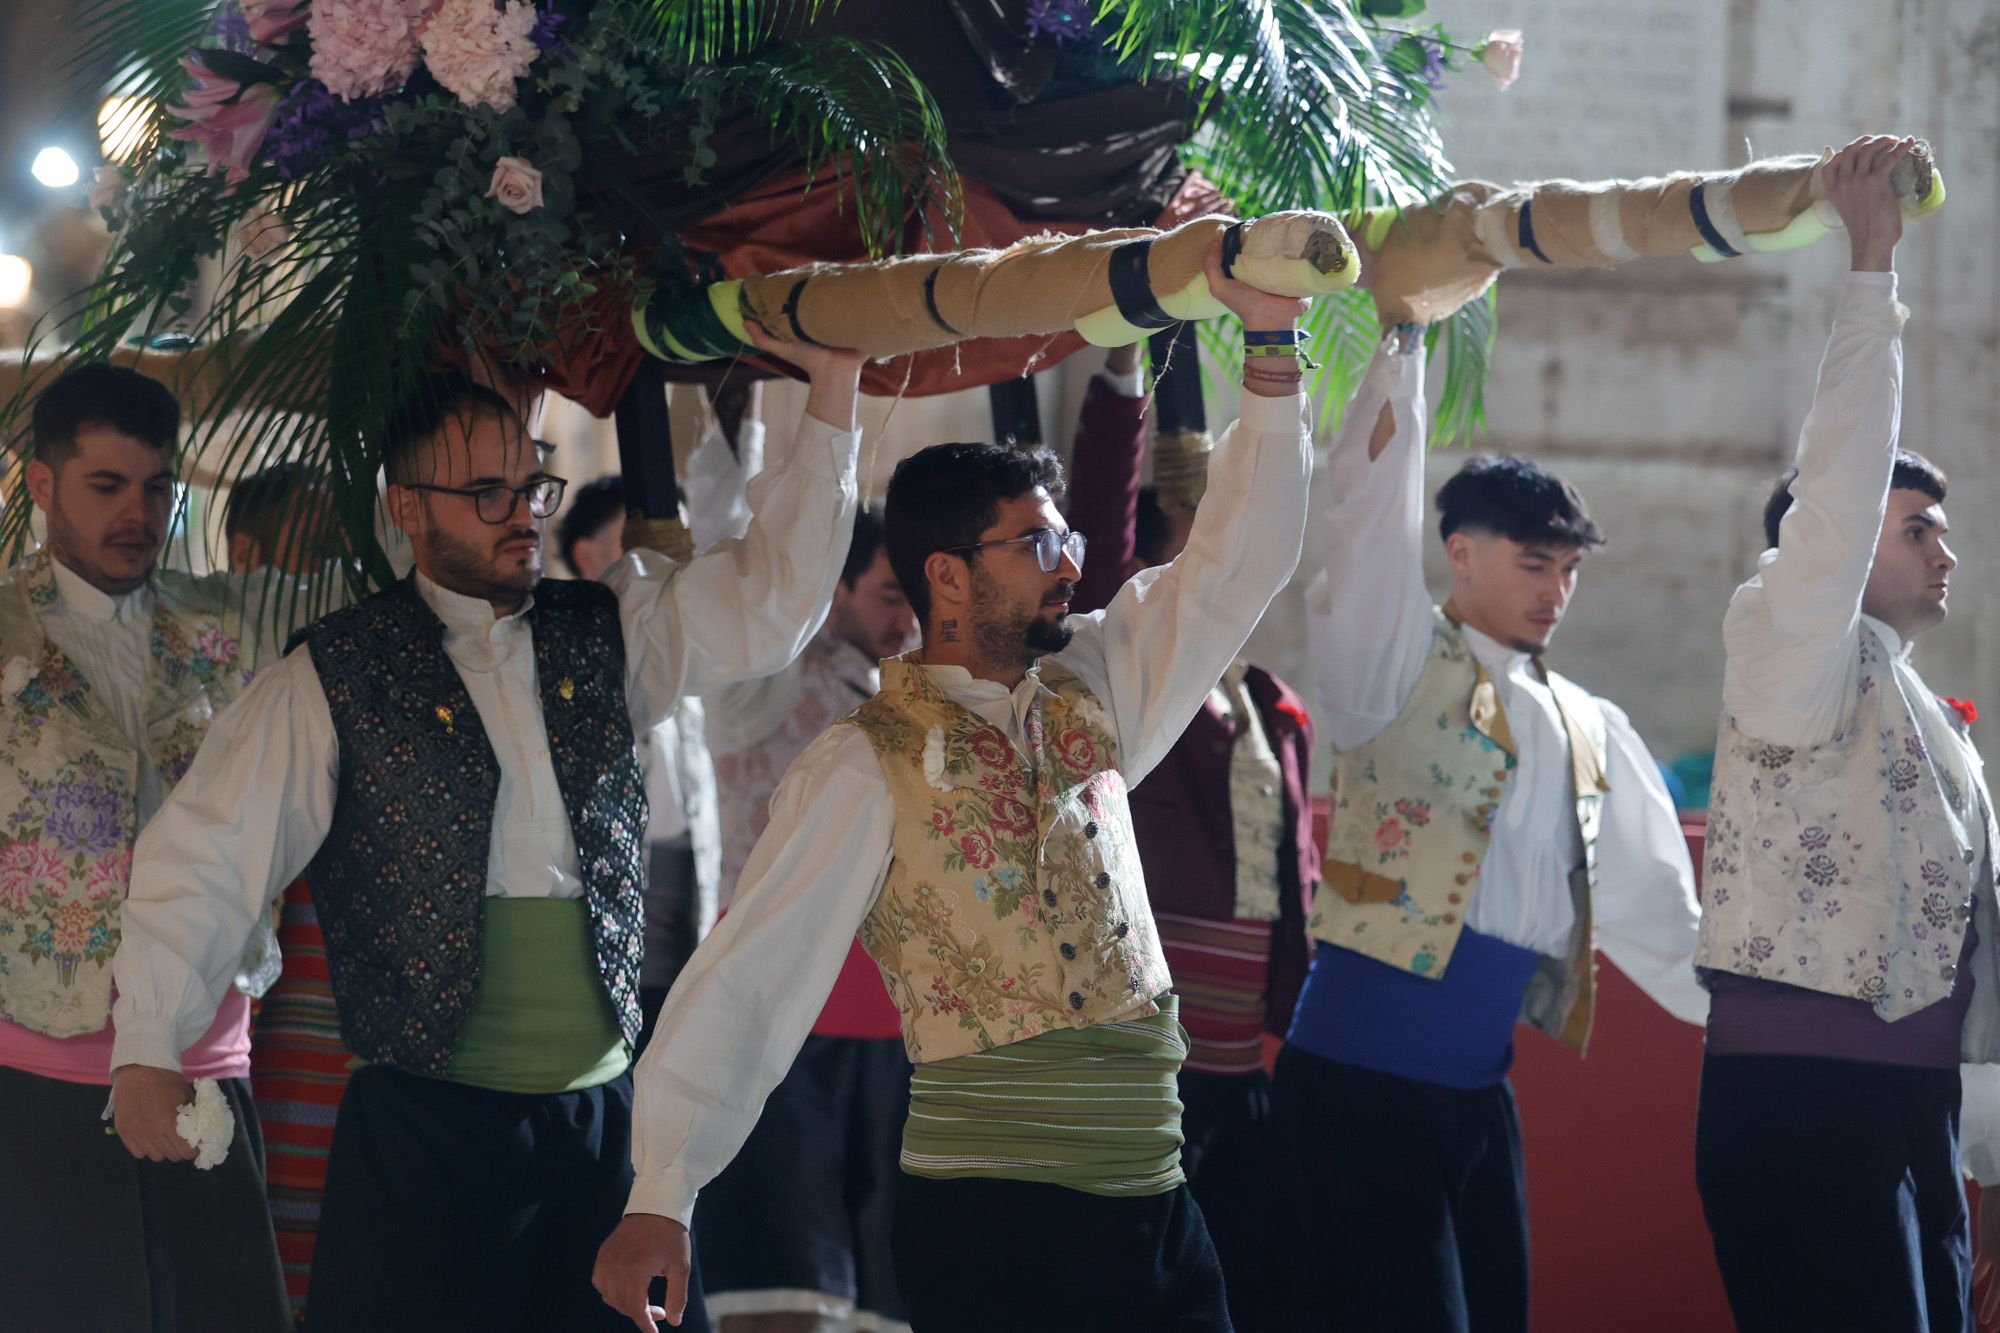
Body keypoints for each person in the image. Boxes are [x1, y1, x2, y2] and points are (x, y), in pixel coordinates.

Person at [593, 243, 1313, 1333]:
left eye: (1064, 536)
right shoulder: (859, 760)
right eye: (1035, 543)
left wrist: (1271, 351)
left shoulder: (1100, 686)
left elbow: (1235, 566)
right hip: (995, 1222)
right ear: (944, 573)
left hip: (1157, 1205)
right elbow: (748, 977)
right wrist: (660, 1193)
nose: (1069, 564)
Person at [106, 335, 866, 1333]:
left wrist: (835, 392)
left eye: (531, 486)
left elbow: (774, 605)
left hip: (603, 1131)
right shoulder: (335, 673)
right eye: (487, 493)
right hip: (422, 1135)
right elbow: (208, 847)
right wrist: (147, 1040)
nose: (522, 515)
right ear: (406, 506)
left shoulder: (611, 627)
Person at [1282, 320, 1708, 1332]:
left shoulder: (1593, 726)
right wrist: (1402, 339)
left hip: (1476, 1101)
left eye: (1568, 569)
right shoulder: (1384, 660)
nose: (1555, 591)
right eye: (1533, 564)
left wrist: (1790, 1018)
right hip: (1354, 1086)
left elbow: (1662, 919)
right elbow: (1364, 517)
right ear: (1460, 554)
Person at [1691, 134, 1996, 1333]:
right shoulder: (1784, 633)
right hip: (1800, 1105)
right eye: (1913, 525)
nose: (1944, 550)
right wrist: (1869, 262)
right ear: (1835, 531)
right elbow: (1838, 482)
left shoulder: (1927, 719)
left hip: (1906, 1113)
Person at [0, 363, 292, 1331]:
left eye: (157, 488)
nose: (138, 512)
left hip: (206, 1045)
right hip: (36, 1056)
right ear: (41, 485)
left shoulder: (230, 626)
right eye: (106, 486)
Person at [1065, 342, 1318, 1333]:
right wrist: (1124, 365)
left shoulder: (1268, 703)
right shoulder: (1126, 687)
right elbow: (1091, 522)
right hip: (1143, 1072)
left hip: (1238, 1072)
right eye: (1208, 533)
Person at [693, 504, 918, 1333]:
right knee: (780, 1290)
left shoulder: (921, 688)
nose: (908, 620)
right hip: (781, 1024)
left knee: (884, 1301)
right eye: (891, 595)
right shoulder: (768, 683)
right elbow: (742, 557)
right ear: (837, 589)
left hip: (898, 1026)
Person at [226, 462, 358, 1324]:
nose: (337, 585)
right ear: (245, 557)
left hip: (352, 1031)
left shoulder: (360, 673)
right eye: (316, 559)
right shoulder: (230, 677)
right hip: (264, 1033)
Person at [558, 475, 723, 1039]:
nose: (666, 564)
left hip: (685, 911)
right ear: (587, 556)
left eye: (675, 543)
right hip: (603, 910)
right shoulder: (560, 653)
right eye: (641, 546)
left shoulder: (691, 653)